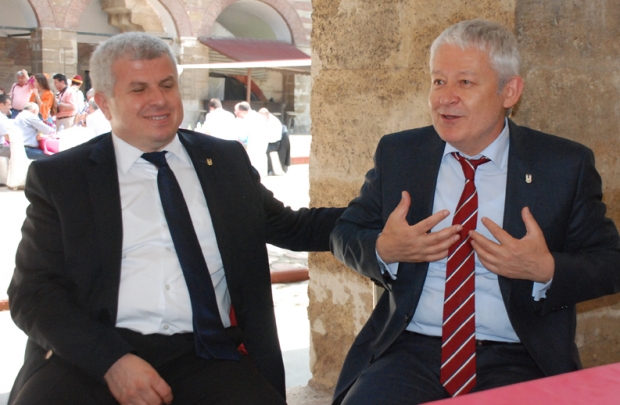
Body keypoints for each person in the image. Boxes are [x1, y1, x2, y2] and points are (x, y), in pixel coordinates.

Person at [8, 32, 343, 405]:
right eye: (139, 89)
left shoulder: (224, 162)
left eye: (167, 85)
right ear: (104, 102)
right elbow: (32, 293)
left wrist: (377, 218)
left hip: (206, 352)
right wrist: (112, 362)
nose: (159, 99)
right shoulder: (64, 179)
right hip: (96, 353)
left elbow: (293, 227)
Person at [330, 19, 620, 405]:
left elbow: (610, 263)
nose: (445, 98)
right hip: (409, 350)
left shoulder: (563, 164)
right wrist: (385, 249)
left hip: (519, 355)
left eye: (465, 82)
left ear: (509, 91)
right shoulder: (401, 154)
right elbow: (344, 234)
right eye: (438, 81)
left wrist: (546, 269)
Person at [234, 101, 269, 176]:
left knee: (253, 163)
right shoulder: (260, 116)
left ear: (242, 111)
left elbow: (243, 136)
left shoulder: (247, 119)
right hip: (263, 143)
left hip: (253, 144)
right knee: (261, 161)